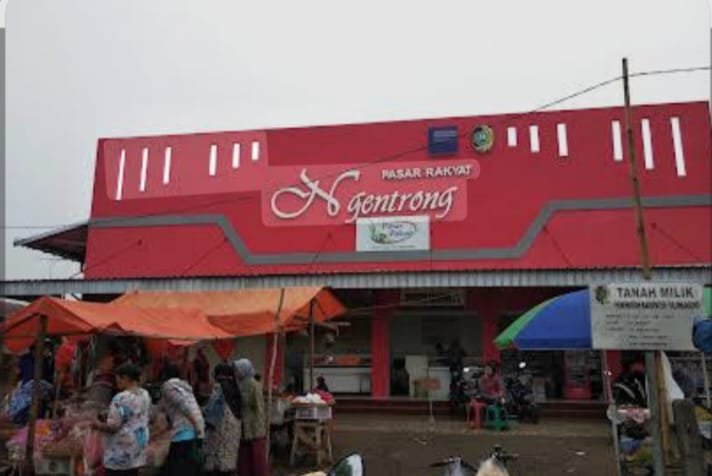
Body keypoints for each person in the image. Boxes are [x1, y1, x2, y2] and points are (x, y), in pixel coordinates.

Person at [91, 363, 151, 476]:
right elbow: (131, 414)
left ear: (126, 378)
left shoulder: (121, 398)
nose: (116, 381)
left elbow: (113, 426)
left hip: (121, 450)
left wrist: (96, 424)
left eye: (118, 378)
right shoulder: (144, 394)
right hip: (137, 447)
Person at [159, 364, 206, 476]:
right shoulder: (184, 387)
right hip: (193, 428)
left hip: (184, 430)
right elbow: (163, 407)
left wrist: (196, 426)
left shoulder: (168, 386)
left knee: (178, 467)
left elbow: (184, 406)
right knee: (187, 465)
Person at [203, 363, 242, 476]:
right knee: (228, 460)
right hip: (234, 427)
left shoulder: (218, 387)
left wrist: (201, 410)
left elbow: (211, 407)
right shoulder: (235, 388)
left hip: (221, 427)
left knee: (216, 461)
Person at [234, 358, 269, 476]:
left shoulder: (254, 385)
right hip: (244, 425)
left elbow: (259, 407)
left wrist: (259, 427)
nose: (236, 372)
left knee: (256, 457)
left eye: (238, 370)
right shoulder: (240, 384)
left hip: (254, 427)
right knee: (245, 458)